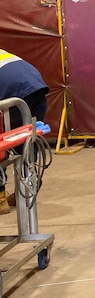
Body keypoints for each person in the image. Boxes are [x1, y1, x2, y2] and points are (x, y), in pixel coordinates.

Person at [0, 49, 49, 214]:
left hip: (13, 92)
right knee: (27, 143)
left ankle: (0, 197)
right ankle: (28, 188)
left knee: (2, 144)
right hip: (36, 87)